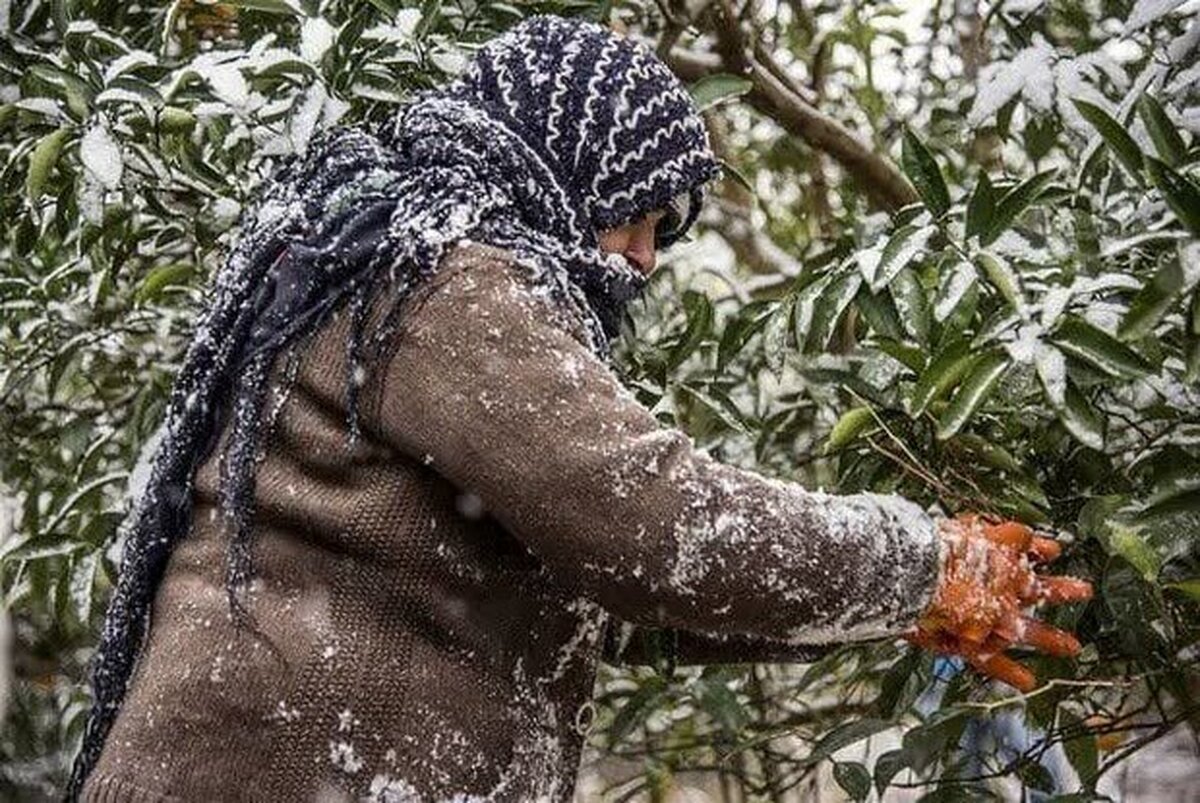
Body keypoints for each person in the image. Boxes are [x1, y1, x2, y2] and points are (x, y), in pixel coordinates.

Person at [68, 14, 1091, 803]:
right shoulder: (441, 278)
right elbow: (657, 528)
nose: (645, 259)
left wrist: (893, 607)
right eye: (638, 215)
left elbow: (608, 597)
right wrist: (917, 564)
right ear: (567, 160)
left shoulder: (424, 272)